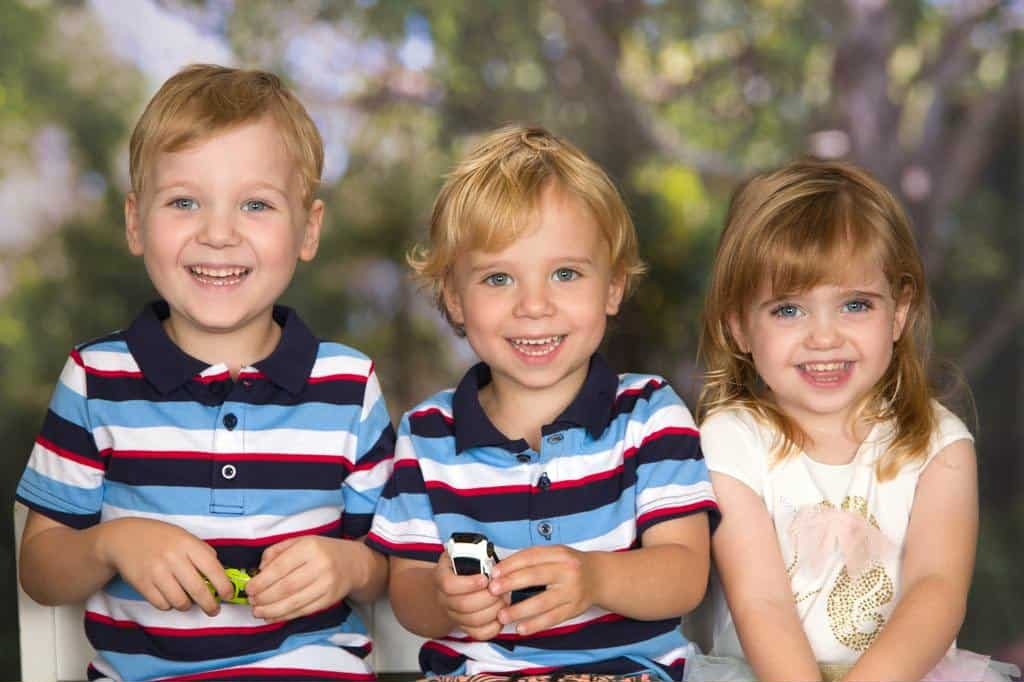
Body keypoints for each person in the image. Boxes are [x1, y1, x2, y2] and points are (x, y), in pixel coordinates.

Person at [15, 64, 394, 681]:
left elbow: (390, 564)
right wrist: (112, 542)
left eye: (256, 204)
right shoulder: (94, 378)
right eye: (184, 202)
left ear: (309, 229)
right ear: (136, 222)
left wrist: (349, 568)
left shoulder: (348, 387)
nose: (218, 234)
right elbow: (41, 570)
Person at [366, 124, 719, 680]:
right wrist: (446, 599)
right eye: (499, 278)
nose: (534, 305)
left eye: (565, 273)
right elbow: (407, 588)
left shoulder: (649, 416)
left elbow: (685, 573)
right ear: (455, 300)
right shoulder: (428, 434)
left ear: (613, 287)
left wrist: (596, 579)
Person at [687, 159, 1019, 682]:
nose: (824, 337)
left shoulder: (940, 445)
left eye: (855, 305)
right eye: (788, 310)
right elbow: (762, 603)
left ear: (900, 311)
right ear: (740, 327)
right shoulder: (730, 441)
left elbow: (936, 589)